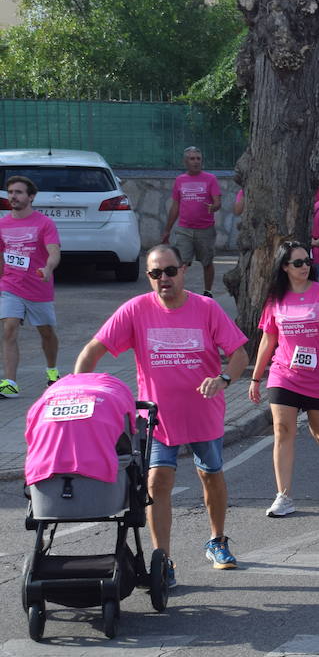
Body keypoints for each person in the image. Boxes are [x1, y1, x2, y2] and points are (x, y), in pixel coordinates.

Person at [74, 245, 248, 583]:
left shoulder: (207, 308)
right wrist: (79, 393)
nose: (163, 279)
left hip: (204, 415)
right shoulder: (136, 310)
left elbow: (239, 353)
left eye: (170, 271)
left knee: (211, 476)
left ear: (184, 270)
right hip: (158, 420)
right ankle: (162, 560)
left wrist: (224, 379)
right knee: (157, 482)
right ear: (149, 277)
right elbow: (92, 351)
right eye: (155, 274)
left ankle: (217, 540)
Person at [249, 242, 319, 518]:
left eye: (307, 261)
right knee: (283, 430)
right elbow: (268, 339)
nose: (305, 266)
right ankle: (283, 495)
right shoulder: (275, 299)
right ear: (285, 267)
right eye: (298, 262)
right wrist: (256, 377)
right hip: (284, 374)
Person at [0, 175, 61, 395]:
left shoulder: (44, 223)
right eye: (10, 192)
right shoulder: (2, 224)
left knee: (46, 332)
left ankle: (52, 372)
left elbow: (54, 251)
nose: (13, 196)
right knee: (9, 328)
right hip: (10, 286)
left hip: (38, 287)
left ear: (31, 197)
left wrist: (48, 268)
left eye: (18, 192)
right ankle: (10, 383)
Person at [159, 147, 221, 296]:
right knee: (181, 263)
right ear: (185, 161)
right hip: (184, 229)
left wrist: (213, 207)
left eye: (198, 158)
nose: (196, 162)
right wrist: (167, 229)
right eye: (192, 159)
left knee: (207, 262)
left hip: (205, 229)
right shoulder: (180, 180)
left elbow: (218, 202)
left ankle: (207, 292)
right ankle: (179, 292)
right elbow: (175, 206)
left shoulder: (210, 179)